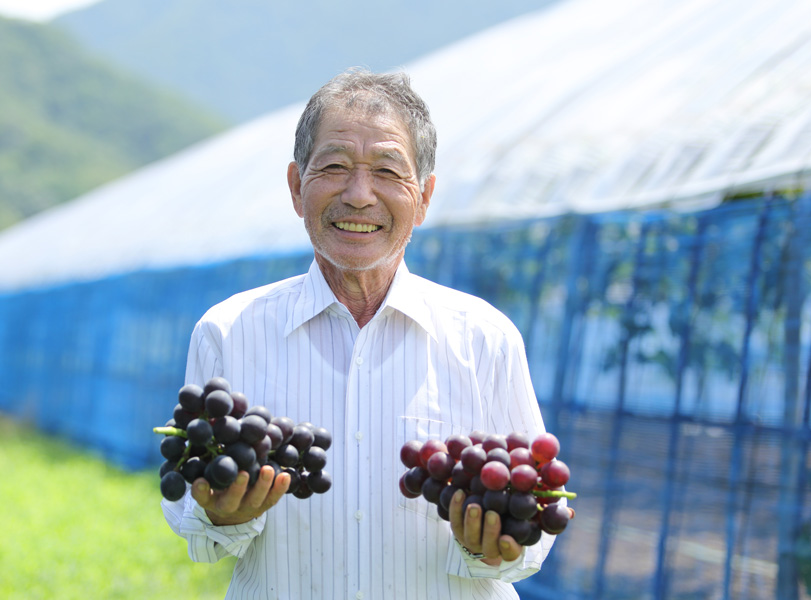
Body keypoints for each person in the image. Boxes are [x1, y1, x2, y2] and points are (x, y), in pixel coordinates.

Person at [162, 67, 557, 599]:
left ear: (424, 197)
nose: (359, 195)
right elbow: (191, 519)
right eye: (334, 166)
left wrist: (492, 545)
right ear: (296, 187)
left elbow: (536, 524)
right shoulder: (229, 332)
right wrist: (221, 515)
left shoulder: (484, 338)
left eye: (388, 171)